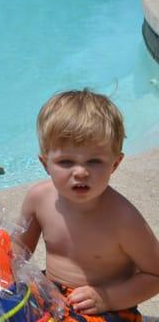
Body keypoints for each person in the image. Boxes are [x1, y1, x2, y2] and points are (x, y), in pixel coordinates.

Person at [20, 89, 159, 322]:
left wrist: (107, 298)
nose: (81, 172)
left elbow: (155, 273)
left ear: (115, 164)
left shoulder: (123, 218)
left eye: (94, 161)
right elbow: (17, 250)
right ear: (46, 164)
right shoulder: (38, 199)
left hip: (106, 308)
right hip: (51, 293)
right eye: (66, 161)